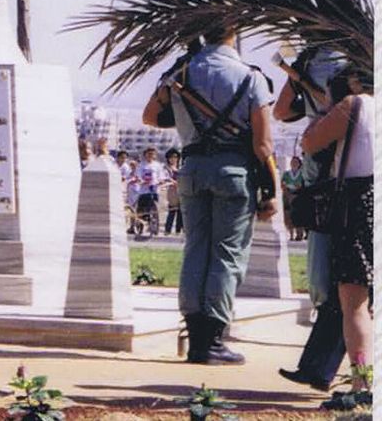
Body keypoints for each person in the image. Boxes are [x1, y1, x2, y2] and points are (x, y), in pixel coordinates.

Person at [141, 24, 276, 365]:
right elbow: (262, 145)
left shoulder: (182, 72)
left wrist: (188, 117)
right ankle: (212, 340)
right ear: (235, 33)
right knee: (226, 255)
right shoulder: (251, 77)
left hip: (192, 168)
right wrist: (272, 189)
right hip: (234, 172)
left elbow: (150, 116)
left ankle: (194, 331)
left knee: (196, 249)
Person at [276, 48, 359, 391]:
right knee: (347, 283)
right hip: (348, 182)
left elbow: (281, 110)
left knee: (333, 283)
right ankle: (320, 368)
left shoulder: (308, 60)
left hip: (325, 180)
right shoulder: (358, 52)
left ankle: (322, 368)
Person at [297, 64, 373, 401]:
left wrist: (327, 107)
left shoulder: (355, 106)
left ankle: (363, 385)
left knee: (354, 302)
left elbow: (311, 142)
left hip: (359, 205)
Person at [136, 147, 165, 238]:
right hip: (144, 190)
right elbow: (138, 175)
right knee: (142, 209)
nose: (150, 156)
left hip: (154, 189)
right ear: (145, 155)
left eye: (152, 154)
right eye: (149, 154)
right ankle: (140, 225)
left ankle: (154, 224)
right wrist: (141, 181)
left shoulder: (158, 165)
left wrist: (161, 181)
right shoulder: (141, 165)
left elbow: (161, 176)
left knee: (154, 206)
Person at [162, 149, 183, 235]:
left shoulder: (181, 167)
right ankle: (168, 230)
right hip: (172, 191)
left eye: (175, 157)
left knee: (180, 211)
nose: (173, 159)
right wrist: (174, 182)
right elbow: (165, 177)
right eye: (171, 157)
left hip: (181, 190)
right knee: (172, 210)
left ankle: (178, 230)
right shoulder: (166, 168)